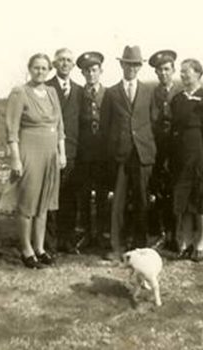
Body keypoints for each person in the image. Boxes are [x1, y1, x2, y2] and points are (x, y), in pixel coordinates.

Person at [0, 53, 66, 268]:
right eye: (36, 67)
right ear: (29, 68)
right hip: (29, 152)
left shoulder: (53, 92)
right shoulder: (20, 93)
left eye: (44, 68)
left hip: (50, 154)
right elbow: (12, 129)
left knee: (44, 203)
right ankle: (26, 249)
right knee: (28, 202)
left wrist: (61, 152)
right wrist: (16, 159)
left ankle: (40, 247)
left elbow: (60, 126)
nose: (40, 71)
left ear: (49, 70)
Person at [101, 45, 157, 260]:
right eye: (128, 64)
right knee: (118, 202)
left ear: (140, 66)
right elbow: (106, 127)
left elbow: (153, 121)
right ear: (121, 65)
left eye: (136, 65)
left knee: (142, 201)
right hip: (120, 155)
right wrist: (112, 153)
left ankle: (140, 247)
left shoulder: (147, 92)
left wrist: (149, 147)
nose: (132, 68)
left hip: (142, 154)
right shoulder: (111, 93)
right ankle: (117, 246)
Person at [170, 58, 203, 262]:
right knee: (184, 201)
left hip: (198, 154)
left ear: (198, 73)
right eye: (181, 72)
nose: (182, 75)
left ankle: (200, 243)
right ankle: (186, 242)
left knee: (199, 200)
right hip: (180, 156)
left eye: (186, 72)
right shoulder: (178, 99)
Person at [45, 48, 83, 252]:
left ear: (73, 64)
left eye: (69, 60)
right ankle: (49, 243)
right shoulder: (47, 87)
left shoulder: (79, 90)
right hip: (50, 150)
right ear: (54, 63)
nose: (65, 63)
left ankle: (67, 240)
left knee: (70, 197)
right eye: (61, 60)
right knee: (51, 197)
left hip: (73, 151)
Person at [75, 51, 109, 248]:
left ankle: (102, 234)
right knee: (85, 195)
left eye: (94, 70)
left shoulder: (109, 94)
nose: (91, 74)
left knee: (103, 195)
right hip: (84, 153)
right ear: (83, 74)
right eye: (87, 71)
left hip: (103, 154)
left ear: (100, 71)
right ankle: (87, 233)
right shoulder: (79, 95)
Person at [148, 50, 178, 249]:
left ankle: (175, 235)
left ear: (173, 70)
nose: (163, 73)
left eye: (166, 69)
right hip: (157, 148)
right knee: (158, 191)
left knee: (175, 192)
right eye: (159, 70)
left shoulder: (181, 92)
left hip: (176, 149)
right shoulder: (154, 94)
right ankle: (160, 233)